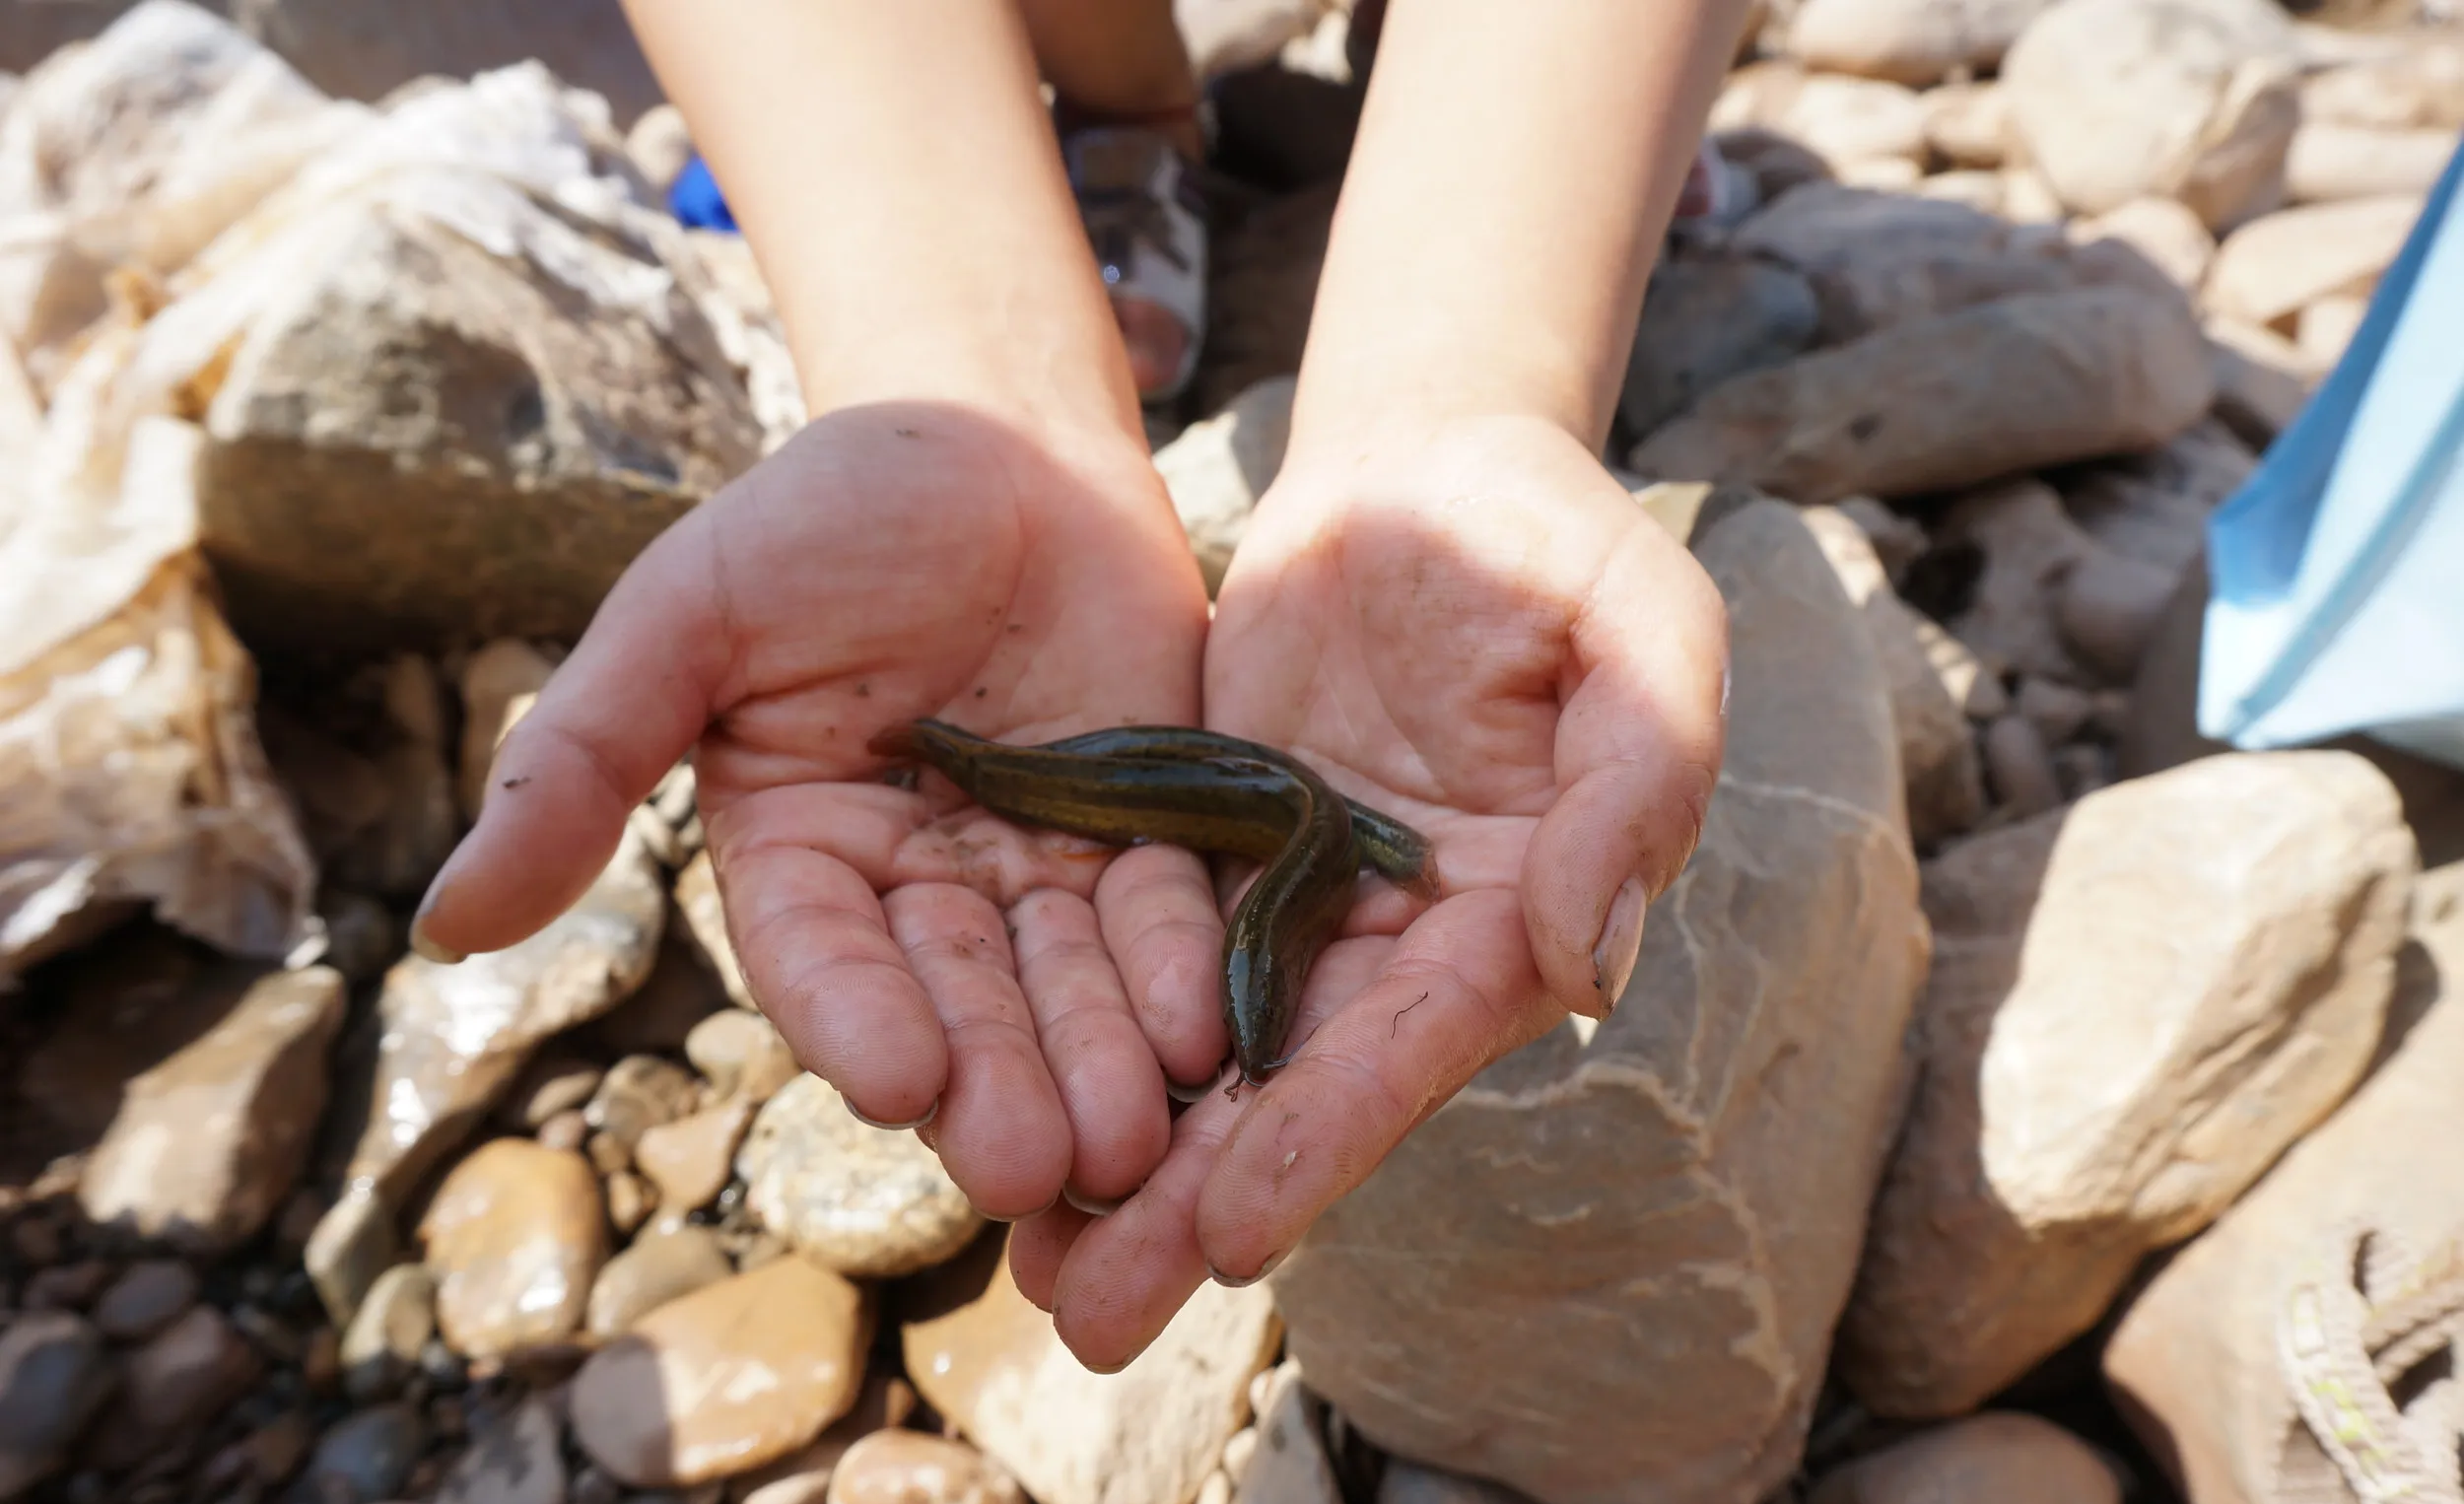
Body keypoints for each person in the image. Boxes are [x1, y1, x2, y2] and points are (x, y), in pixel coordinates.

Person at [408, 0, 1741, 1372]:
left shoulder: (1297, 862)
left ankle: (1540, 145)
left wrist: (1477, 389)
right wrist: (961, 386)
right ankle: (1127, 107)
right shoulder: (1263, 847)